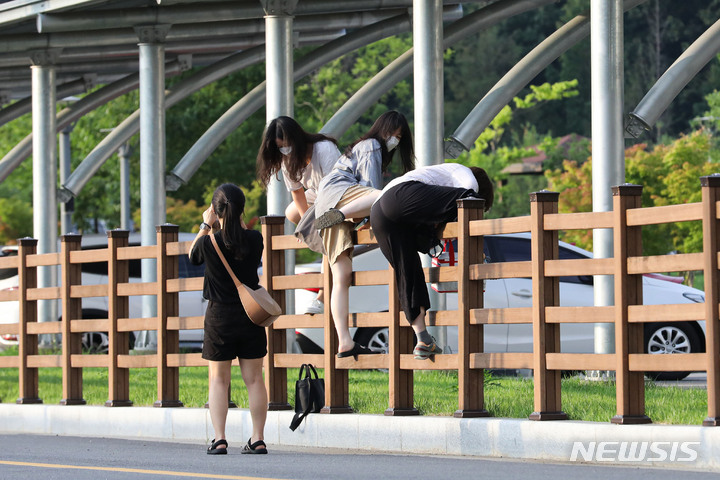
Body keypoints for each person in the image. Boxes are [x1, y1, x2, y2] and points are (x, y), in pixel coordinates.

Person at [310, 111, 414, 358]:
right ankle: (342, 213)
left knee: (341, 277)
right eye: (393, 134)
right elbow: (371, 188)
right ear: (382, 129)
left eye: (399, 137)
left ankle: (344, 341)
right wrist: (370, 220)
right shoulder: (371, 146)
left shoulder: (363, 146)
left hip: (328, 203)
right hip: (341, 196)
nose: (394, 140)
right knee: (389, 195)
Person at [369, 163, 494, 359]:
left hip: (379, 214)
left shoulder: (434, 185)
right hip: (400, 196)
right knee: (471, 200)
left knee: (409, 275)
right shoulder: (465, 174)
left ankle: (423, 339)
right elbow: (469, 197)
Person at [189, 183, 269, 455]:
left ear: (216, 210)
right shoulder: (256, 239)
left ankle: (220, 438)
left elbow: (192, 256)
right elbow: (242, 238)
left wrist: (205, 224)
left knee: (219, 380)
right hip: (251, 316)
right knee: (255, 380)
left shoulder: (208, 242)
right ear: (242, 209)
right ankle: (257, 439)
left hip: (220, 317)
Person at [257, 116, 341, 315]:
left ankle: (322, 295)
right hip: (318, 195)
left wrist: (319, 225)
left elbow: (336, 187)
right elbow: (297, 193)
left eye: (287, 146)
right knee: (291, 212)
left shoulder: (324, 149)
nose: (285, 150)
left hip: (339, 193)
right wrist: (309, 225)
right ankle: (320, 239)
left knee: (326, 239)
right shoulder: (286, 159)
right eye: (280, 148)